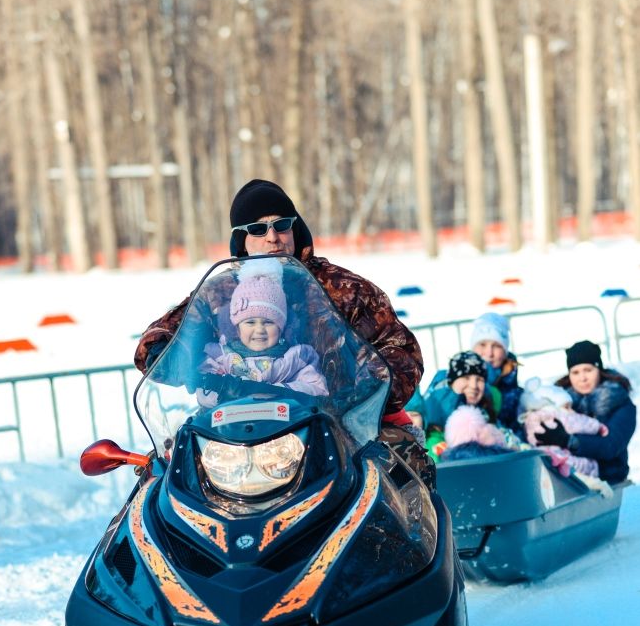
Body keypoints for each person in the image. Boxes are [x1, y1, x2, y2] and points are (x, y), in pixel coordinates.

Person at [135, 178, 433, 484]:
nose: (272, 237)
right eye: (258, 229)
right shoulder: (219, 291)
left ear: (296, 228)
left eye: (282, 224)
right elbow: (163, 335)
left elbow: (399, 349)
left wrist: (363, 392)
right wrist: (171, 355)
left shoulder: (344, 289)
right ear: (241, 238)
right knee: (158, 482)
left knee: (405, 472)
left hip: (338, 427)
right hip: (231, 433)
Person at [198, 257, 328, 404]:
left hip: (286, 423)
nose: (259, 329)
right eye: (250, 322)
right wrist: (227, 390)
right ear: (236, 327)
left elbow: (317, 390)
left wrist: (276, 390)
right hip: (233, 422)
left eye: (268, 322)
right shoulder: (221, 357)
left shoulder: (296, 358)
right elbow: (204, 390)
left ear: (282, 327)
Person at [534, 340, 636, 484]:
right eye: (575, 372)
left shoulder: (621, 403)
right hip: (569, 479)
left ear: (599, 369)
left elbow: (611, 446)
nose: (582, 378)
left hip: (609, 479)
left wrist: (569, 441)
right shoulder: (560, 402)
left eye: (588, 370)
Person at [518, 376, 607, 478]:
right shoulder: (557, 415)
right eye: (567, 407)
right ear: (551, 404)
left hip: (545, 454)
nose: (571, 412)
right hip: (562, 455)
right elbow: (580, 422)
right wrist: (597, 426)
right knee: (586, 464)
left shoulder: (528, 419)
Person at [423, 350, 502, 461]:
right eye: (466, 378)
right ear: (451, 382)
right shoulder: (437, 415)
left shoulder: (486, 412)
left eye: (479, 379)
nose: (474, 385)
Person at [469, 312, 523, 432]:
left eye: (497, 346)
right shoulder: (459, 380)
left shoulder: (515, 391)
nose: (489, 353)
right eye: (482, 344)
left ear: (505, 351)